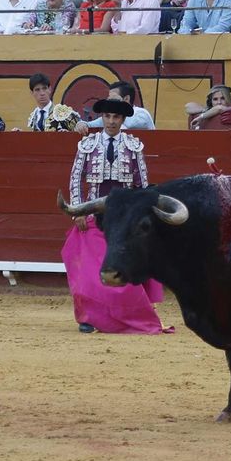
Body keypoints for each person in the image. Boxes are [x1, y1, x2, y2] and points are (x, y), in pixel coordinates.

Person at [61, 97, 172, 334]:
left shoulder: (134, 146)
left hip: (124, 219)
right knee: (90, 271)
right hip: (92, 216)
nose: (111, 121)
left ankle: (129, 316)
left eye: (116, 117)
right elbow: (75, 179)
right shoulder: (86, 145)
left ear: (123, 120)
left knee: (125, 269)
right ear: (102, 118)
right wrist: (77, 211)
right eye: (108, 116)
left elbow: (143, 186)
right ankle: (89, 318)